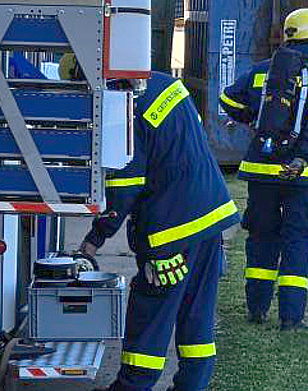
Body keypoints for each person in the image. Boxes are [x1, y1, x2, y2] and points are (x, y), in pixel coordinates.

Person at [80, 71, 241, 391]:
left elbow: (124, 188)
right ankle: (191, 385)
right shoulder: (164, 83)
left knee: (151, 313)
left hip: (170, 233)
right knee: (197, 316)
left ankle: (132, 387)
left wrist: (94, 239)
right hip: (209, 220)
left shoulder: (123, 105)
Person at [218, 8, 308, 331]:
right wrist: (303, 157)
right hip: (302, 174)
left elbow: (227, 99)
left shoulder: (262, 71)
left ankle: (256, 309)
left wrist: (256, 122)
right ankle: (292, 317)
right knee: (297, 241)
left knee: (261, 237)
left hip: (261, 170)